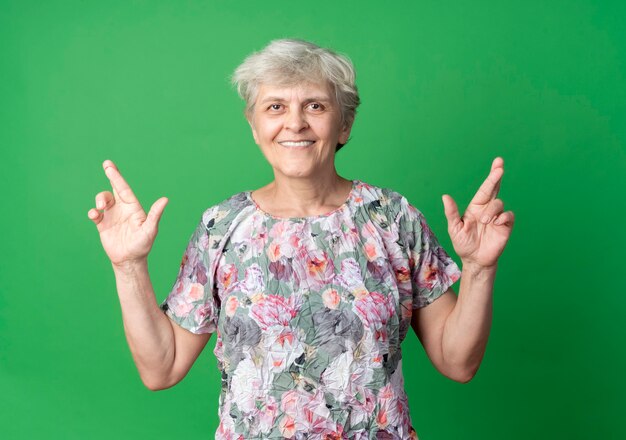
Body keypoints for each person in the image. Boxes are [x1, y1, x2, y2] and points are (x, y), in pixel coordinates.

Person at [87, 39, 514, 440]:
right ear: (254, 126)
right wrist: (128, 267)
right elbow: (161, 369)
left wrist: (479, 268)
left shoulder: (391, 217)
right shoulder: (222, 226)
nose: (295, 122)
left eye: (314, 105)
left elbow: (458, 361)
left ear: (344, 124)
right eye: (275, 106)